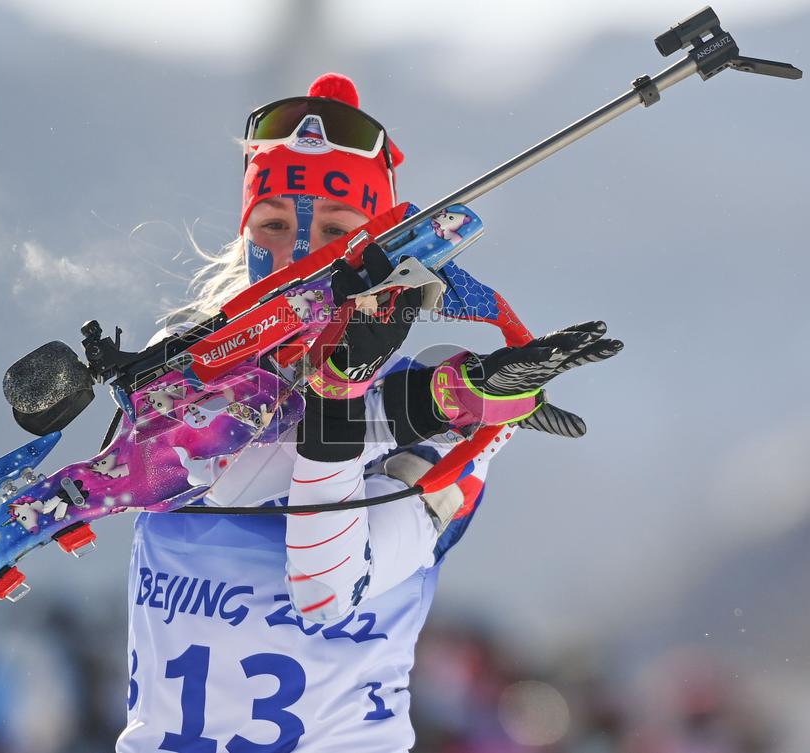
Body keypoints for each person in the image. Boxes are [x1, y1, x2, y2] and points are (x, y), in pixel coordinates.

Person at [117, 73, 622, 753]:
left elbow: (324, 589)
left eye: (334, 230)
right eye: (273, 223)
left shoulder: (448, 406)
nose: (301, 253)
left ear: (378, 247)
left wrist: (371, 393)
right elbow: (204, 462)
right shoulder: (183, 371)